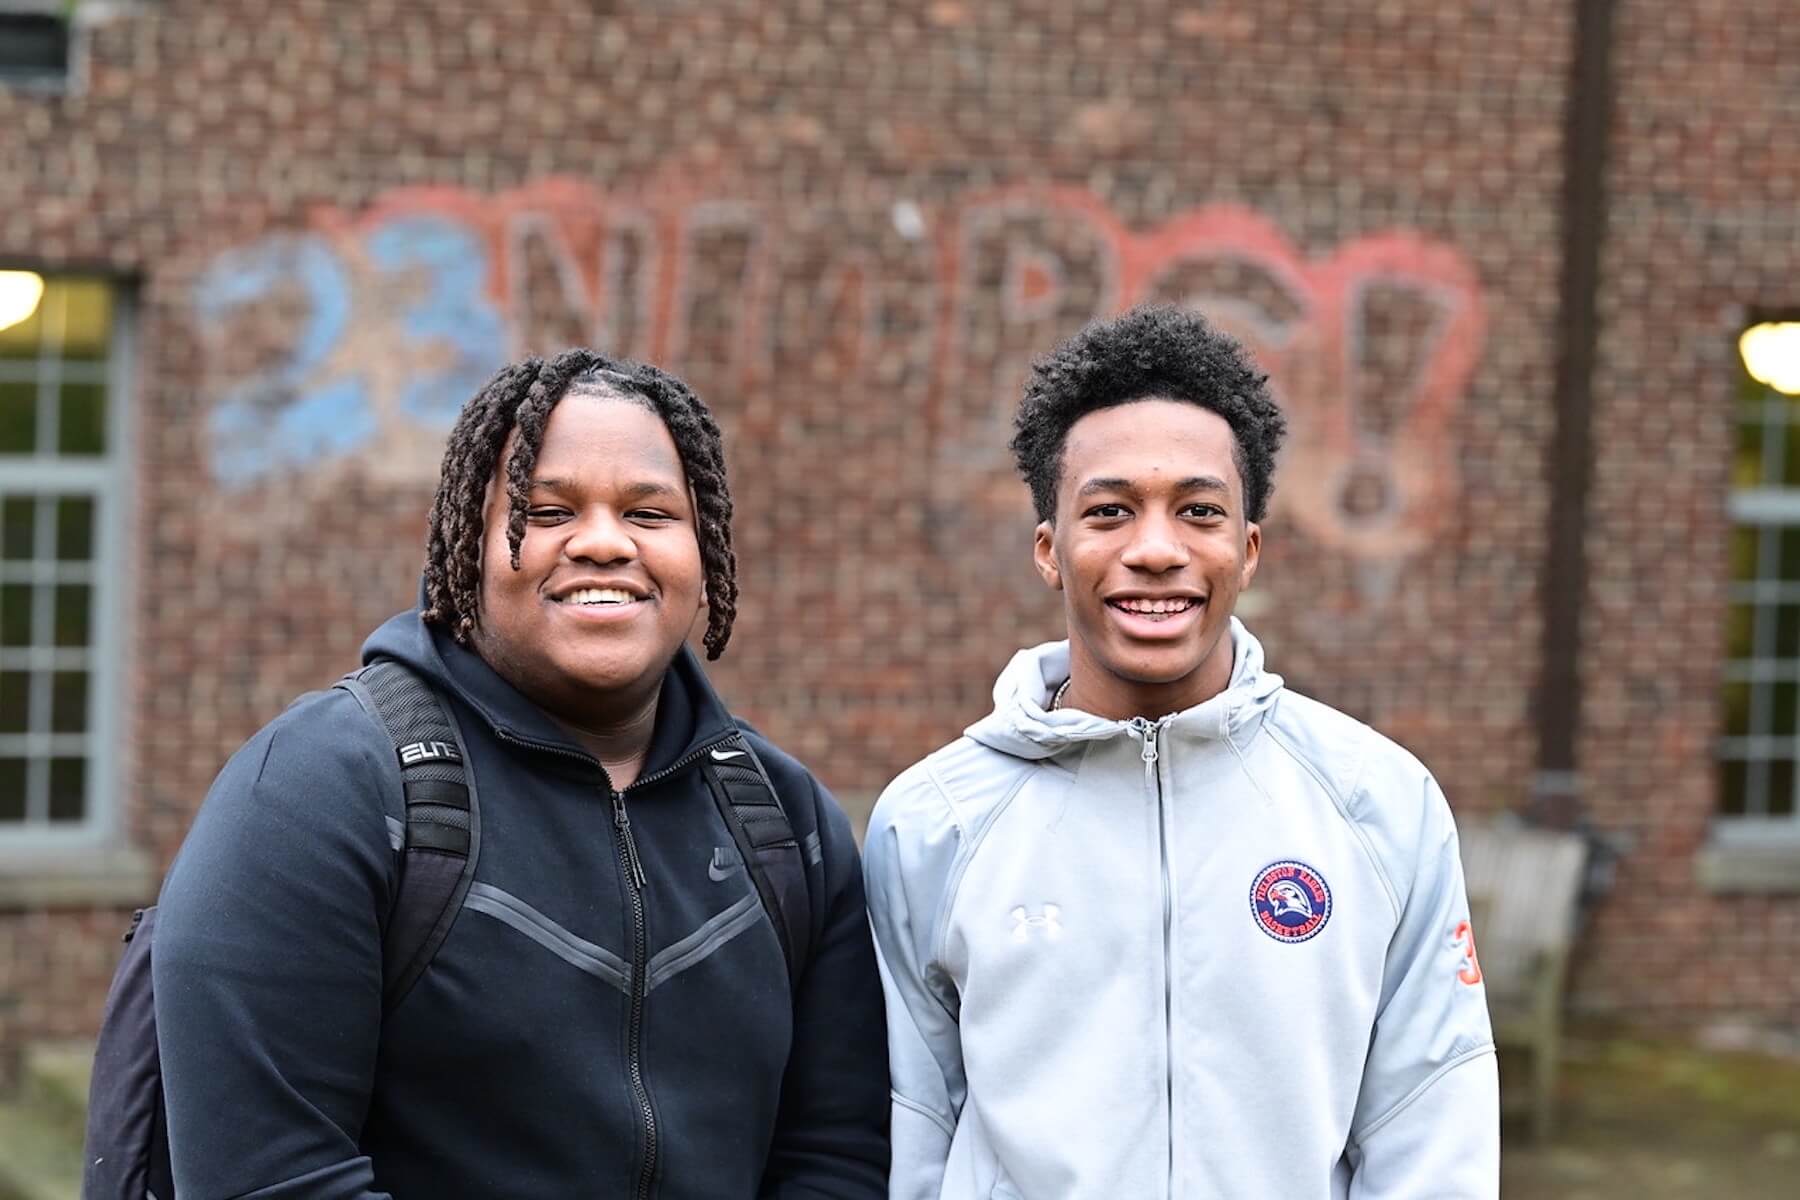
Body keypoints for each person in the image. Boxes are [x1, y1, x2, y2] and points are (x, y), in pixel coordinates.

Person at [153, 350, 889, 1198]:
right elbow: (270, 1179)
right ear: (468, 541)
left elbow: (835, 1160)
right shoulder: (317, 792)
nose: (605, 542)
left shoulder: (785, 821)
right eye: (547, 510)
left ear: (703, 548)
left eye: (650, 513)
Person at [864, 306, 1498, 1199]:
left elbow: (1430, 1121)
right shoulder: (933, 823)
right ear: (1051, 550)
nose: (1155, 550)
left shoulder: (1377, 802)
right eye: (1111, 511)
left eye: (1197, 511)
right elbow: (912, 1128)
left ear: (1248, 549)